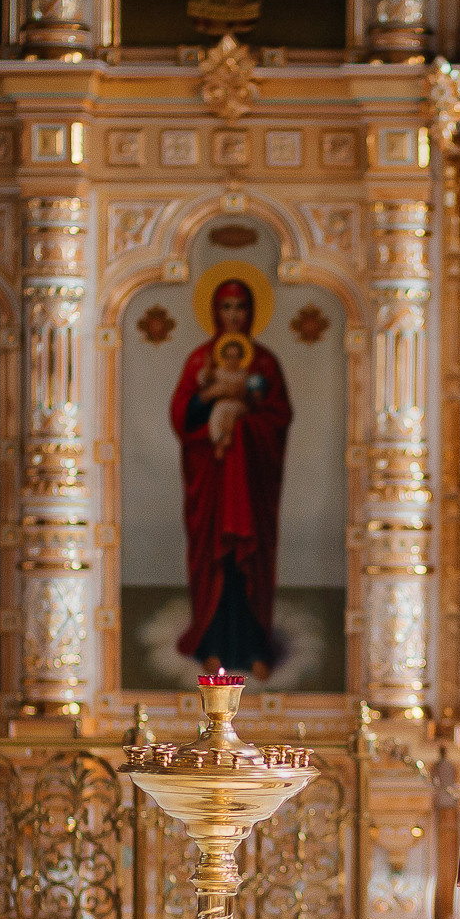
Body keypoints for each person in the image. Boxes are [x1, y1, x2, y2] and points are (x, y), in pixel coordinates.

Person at [172, 276, 292, 679]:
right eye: (226, 306)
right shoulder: (200, 362)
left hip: (251, 481)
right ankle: (211, 646)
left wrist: (244, 422)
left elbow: (278, 417)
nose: (234, 315)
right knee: (216, 558)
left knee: (249, 560)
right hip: (212, 481)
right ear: (215, 311)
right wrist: (208, 400)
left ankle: (255, 648)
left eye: (240, 307)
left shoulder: (264, 364)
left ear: (251, 312)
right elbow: (183, 416)